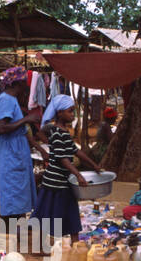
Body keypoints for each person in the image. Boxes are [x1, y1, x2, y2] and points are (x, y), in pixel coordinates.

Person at [34, 94, 101, 249]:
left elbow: (76, 151)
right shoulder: (57, 132)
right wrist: (78, 175)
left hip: (64, 181)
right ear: (60, 113)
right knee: (48, 214)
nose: (72, 114)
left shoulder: (64, 132)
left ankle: (76, 245)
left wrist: (94, 166)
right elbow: (62, 158)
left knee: (69, 213)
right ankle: (40, 247)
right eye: (70, 111)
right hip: (55, 183)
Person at [0, 66, 43, 239]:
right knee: (12, 199)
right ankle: (8, 238)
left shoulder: (11, 100)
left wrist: (39, 148)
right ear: (18, 83)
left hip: (15, 154)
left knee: (18, 198)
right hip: (9, 154)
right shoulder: (6, 99)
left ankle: (14, 235)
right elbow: (2, 127)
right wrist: (27, 119)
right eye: (25, 83)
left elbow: (21, 130)